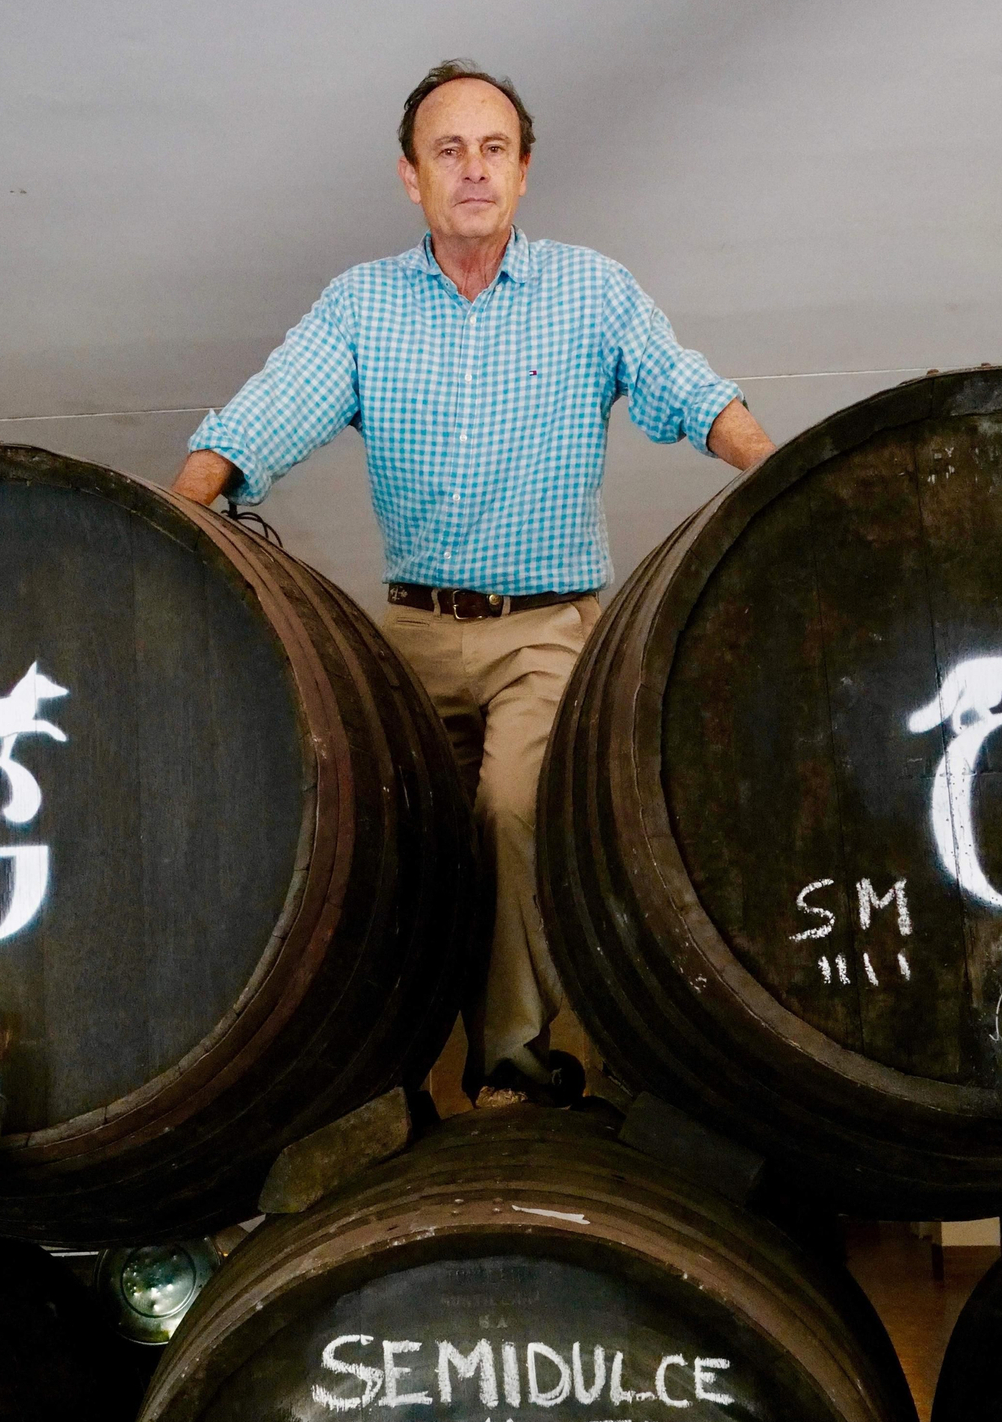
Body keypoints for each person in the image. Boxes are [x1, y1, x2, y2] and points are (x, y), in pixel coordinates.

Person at [173, 60, 773, 1103]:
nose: (474, 170)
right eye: (448, 151)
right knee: (385, 829)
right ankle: (386, 1071)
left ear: (525, 170)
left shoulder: (591, 291)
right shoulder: (361, 304)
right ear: (411, 177)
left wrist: (776, 470)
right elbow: (267, 413)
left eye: (494, 149)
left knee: (507, 810)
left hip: (547, 627)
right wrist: (181, 506)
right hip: (411, 630)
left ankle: (508, 1063)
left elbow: (690, 389)